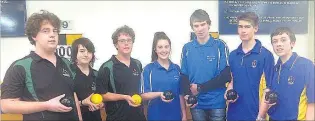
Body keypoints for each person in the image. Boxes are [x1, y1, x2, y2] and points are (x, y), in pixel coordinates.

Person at [0, 10, 81, 120]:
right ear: (34, 36)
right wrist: (46, 105)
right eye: (46, 31)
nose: (52, 34)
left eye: (55, 31)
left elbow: (73, 95)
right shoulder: (20, 67)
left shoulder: (68, 64)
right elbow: (6, 105)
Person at [180, 9, 229, 121]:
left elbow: (225, 75)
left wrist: (201, 87)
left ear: (209, 24)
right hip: (197, 103)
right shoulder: (187, 48)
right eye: (196, 26)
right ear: (192, 28)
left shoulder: (220, 46)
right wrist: (187, 94)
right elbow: (184, 75)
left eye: (203, 24)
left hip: (217, 102)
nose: (200, 29)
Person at [257, 27, 314, 120]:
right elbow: (267, 94)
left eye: (283, 40)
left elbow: (312, 102)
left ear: (292, 43)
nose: (279, 44)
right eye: (275, 41)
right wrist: (260, 117)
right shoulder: (274, 69)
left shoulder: (306, 65)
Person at [226, 12, 275, 120]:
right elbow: (232, 81)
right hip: (233, 114)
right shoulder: (233, 55)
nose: (243, 30)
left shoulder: (266, 55)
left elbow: (268, 89)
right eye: (240, 26)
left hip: (255, 115)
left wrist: (260, 116)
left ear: (255, 28)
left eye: (247, 27)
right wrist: (228, 93)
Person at [96, 25, 146, 121]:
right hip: (117, 118)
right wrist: (124, 97)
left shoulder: (137, 64)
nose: (126, 43)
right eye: (122, 41)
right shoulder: (107, 67)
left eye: (129, 40)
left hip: (139, 117)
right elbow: (102, 95)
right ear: (116, 45)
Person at [140, 32, 187, 121]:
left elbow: (180, 94)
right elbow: (143, 95)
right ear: (155, 49)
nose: (164, 50)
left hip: (175, 116)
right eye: (160, 47)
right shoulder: (148, 69)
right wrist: (160, 94)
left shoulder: (177, 69)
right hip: (156, 116)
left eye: (166, 46)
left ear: (170, 48)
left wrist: (184, 114)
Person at [70, 37, 103, 121]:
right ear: (75, 53)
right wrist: (82, 103)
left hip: (96, 117)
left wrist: (101, 104)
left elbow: (101, 96)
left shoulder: (97, 74)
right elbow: (65, 101)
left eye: (89, 51)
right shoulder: (69, 74)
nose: (86, 54)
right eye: (82, 51)